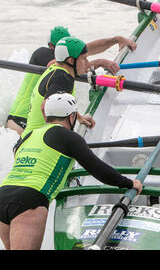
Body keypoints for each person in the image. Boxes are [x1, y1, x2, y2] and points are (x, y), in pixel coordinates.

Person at [0, 92, 143, 250]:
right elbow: (97, 168)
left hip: (3, 194)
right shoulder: (68, 137)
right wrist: (129, 183)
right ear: (72, 117)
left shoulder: (28, 135)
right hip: (30, 199)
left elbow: (22, 155)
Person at [6, 25, 137, 134]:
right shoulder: (42, 54)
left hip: (30, 124)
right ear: (53, 47)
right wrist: (98, 62)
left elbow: (85, 50)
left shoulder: (65, 57)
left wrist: (115, 40)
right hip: (19, 122)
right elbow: (61, 68)